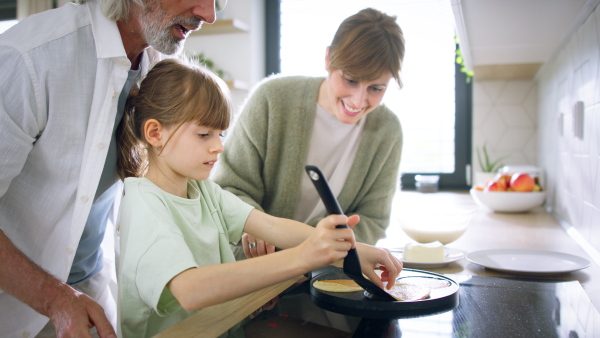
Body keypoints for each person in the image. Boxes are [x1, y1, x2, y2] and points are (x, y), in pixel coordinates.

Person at [115, 58, 402, 337]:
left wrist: (354, 250)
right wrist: (304, 256)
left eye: (220, 134)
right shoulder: (144, 206)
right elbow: (190, 290)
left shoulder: (203, 191)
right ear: (155, 133)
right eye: (204, 134)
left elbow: (272, 226)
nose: (218, 147)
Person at [0, 0, 215, 337]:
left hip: (89, 289)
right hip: (17, 305)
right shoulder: (29, 59)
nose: (209, 14)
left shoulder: (158, 67)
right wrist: (56, 299)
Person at [213, 8, 405, 260]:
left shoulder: (387, 131)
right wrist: (258, 226)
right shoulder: (272, 99)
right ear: (328, 59)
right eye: (350, 80)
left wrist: (315, 250)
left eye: (376, 88)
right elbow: (228, 187)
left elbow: (374, 219)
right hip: (251, 268)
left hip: (325, 276)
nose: (358, 101)